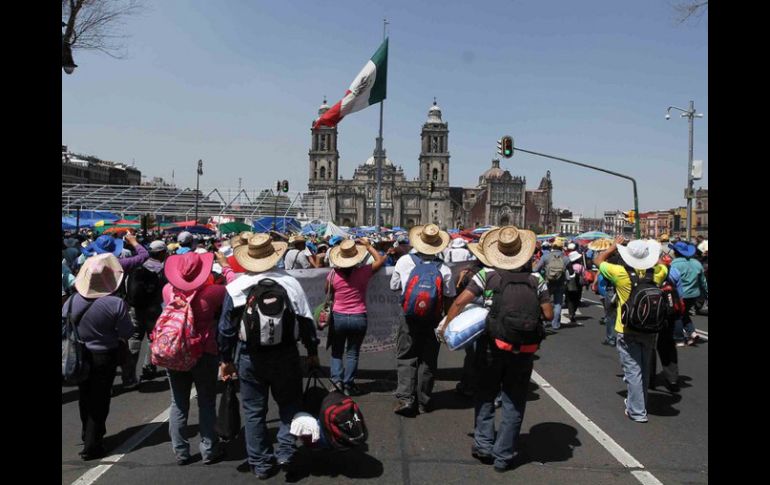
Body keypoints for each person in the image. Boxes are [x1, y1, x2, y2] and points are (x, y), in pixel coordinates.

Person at [444, 226, 553, 472]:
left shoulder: (487, 275)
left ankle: (483, 446)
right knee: (514, 401)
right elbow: (547, 314)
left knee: (485, 394)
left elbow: (460, 302)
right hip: (523, 350)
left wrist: (446, 327)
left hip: (492, 346)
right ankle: (504, 455)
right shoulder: (537, 280)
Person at [218, 234, 320, 480]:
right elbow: (306, 321)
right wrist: (312, 351)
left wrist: (225, 359)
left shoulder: (236, 288)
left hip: (249, 356)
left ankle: (261, 463)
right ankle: (285, 450)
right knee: (289, 404)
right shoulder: (289, 283)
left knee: (254, 411)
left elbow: (225, 329)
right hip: (285, 353)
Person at [162, 250, 236, 466]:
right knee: (206, 402)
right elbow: (235, 288)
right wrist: (225, 268)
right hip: (204, 352)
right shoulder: (213, 292)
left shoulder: (168, 290)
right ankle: (209, 449)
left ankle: (181, 452)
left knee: (178, 403)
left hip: (175, 350)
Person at [62, 254, 133, 460]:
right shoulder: (115, 303)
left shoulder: (72, 301)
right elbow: (126, 331)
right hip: (105, 355)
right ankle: (93, 443)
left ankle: (87, 434)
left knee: (85, 396)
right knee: (100, 399)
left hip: (80, 354)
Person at [594, 236, 668, 423]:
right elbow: (664, 265)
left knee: (633, 370)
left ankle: (637, 410)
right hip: (650, 328)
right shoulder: (657, 273)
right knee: (643, 368)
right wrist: (654, 249)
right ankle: (639, 403)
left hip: (626, 327)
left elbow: (598, 260)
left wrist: (614, 246)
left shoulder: (620, 273)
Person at [390, 224, 455, 416]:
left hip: (408, 317)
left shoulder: (403, 261)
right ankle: (424, 401)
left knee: (406, 356)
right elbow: (449, 295)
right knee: (428, 359)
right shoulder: (444, 268)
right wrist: (447, 322)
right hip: (433, 318)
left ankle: (405, 399)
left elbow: (394, 286)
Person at [326, 238, 386, 395]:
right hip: (359, 316)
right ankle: (348, 384)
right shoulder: (364, 271)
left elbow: (327, 291)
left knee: (337, 351)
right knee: (352, 353)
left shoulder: (333, 274)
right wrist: (368, 246)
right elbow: (380, 260)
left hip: (338, 316)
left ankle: (336, 381)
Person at [121, 240, 169, 388]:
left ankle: (128, 377)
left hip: (134, 308)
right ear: (161, 253)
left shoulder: (137, 266)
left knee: (134, 340)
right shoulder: (162, 268)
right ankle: (149, 366)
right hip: (153, 309)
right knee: (153, 339)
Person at [669, 241, 708, 346]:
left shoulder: (674, 264)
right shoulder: (696, 263)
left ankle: (679, 338)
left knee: (677, 315)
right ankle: (692, 333)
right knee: (684, 313)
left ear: (676, 252)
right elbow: (703, 282)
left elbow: (671, 279)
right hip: (694, 294)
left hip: (679, 294)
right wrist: (706, 294)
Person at [533, 239, 569, 331]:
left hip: (548, 283)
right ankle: (556, 324)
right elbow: (571, 272)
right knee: (558, 304)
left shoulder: (546, 257)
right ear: (561, 248)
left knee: (544, 301)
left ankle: (544, 322)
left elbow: (536, 269)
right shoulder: (565, 258)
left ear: (552, 247)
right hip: (560, 283)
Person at [564, 251, 585, 325]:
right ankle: (573, 312)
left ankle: (571, 313)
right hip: (578, 284)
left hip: (569, 284)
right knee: (577, 299)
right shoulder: (580, 266)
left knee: (570, 299)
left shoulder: (568, 265)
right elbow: (583, 275)